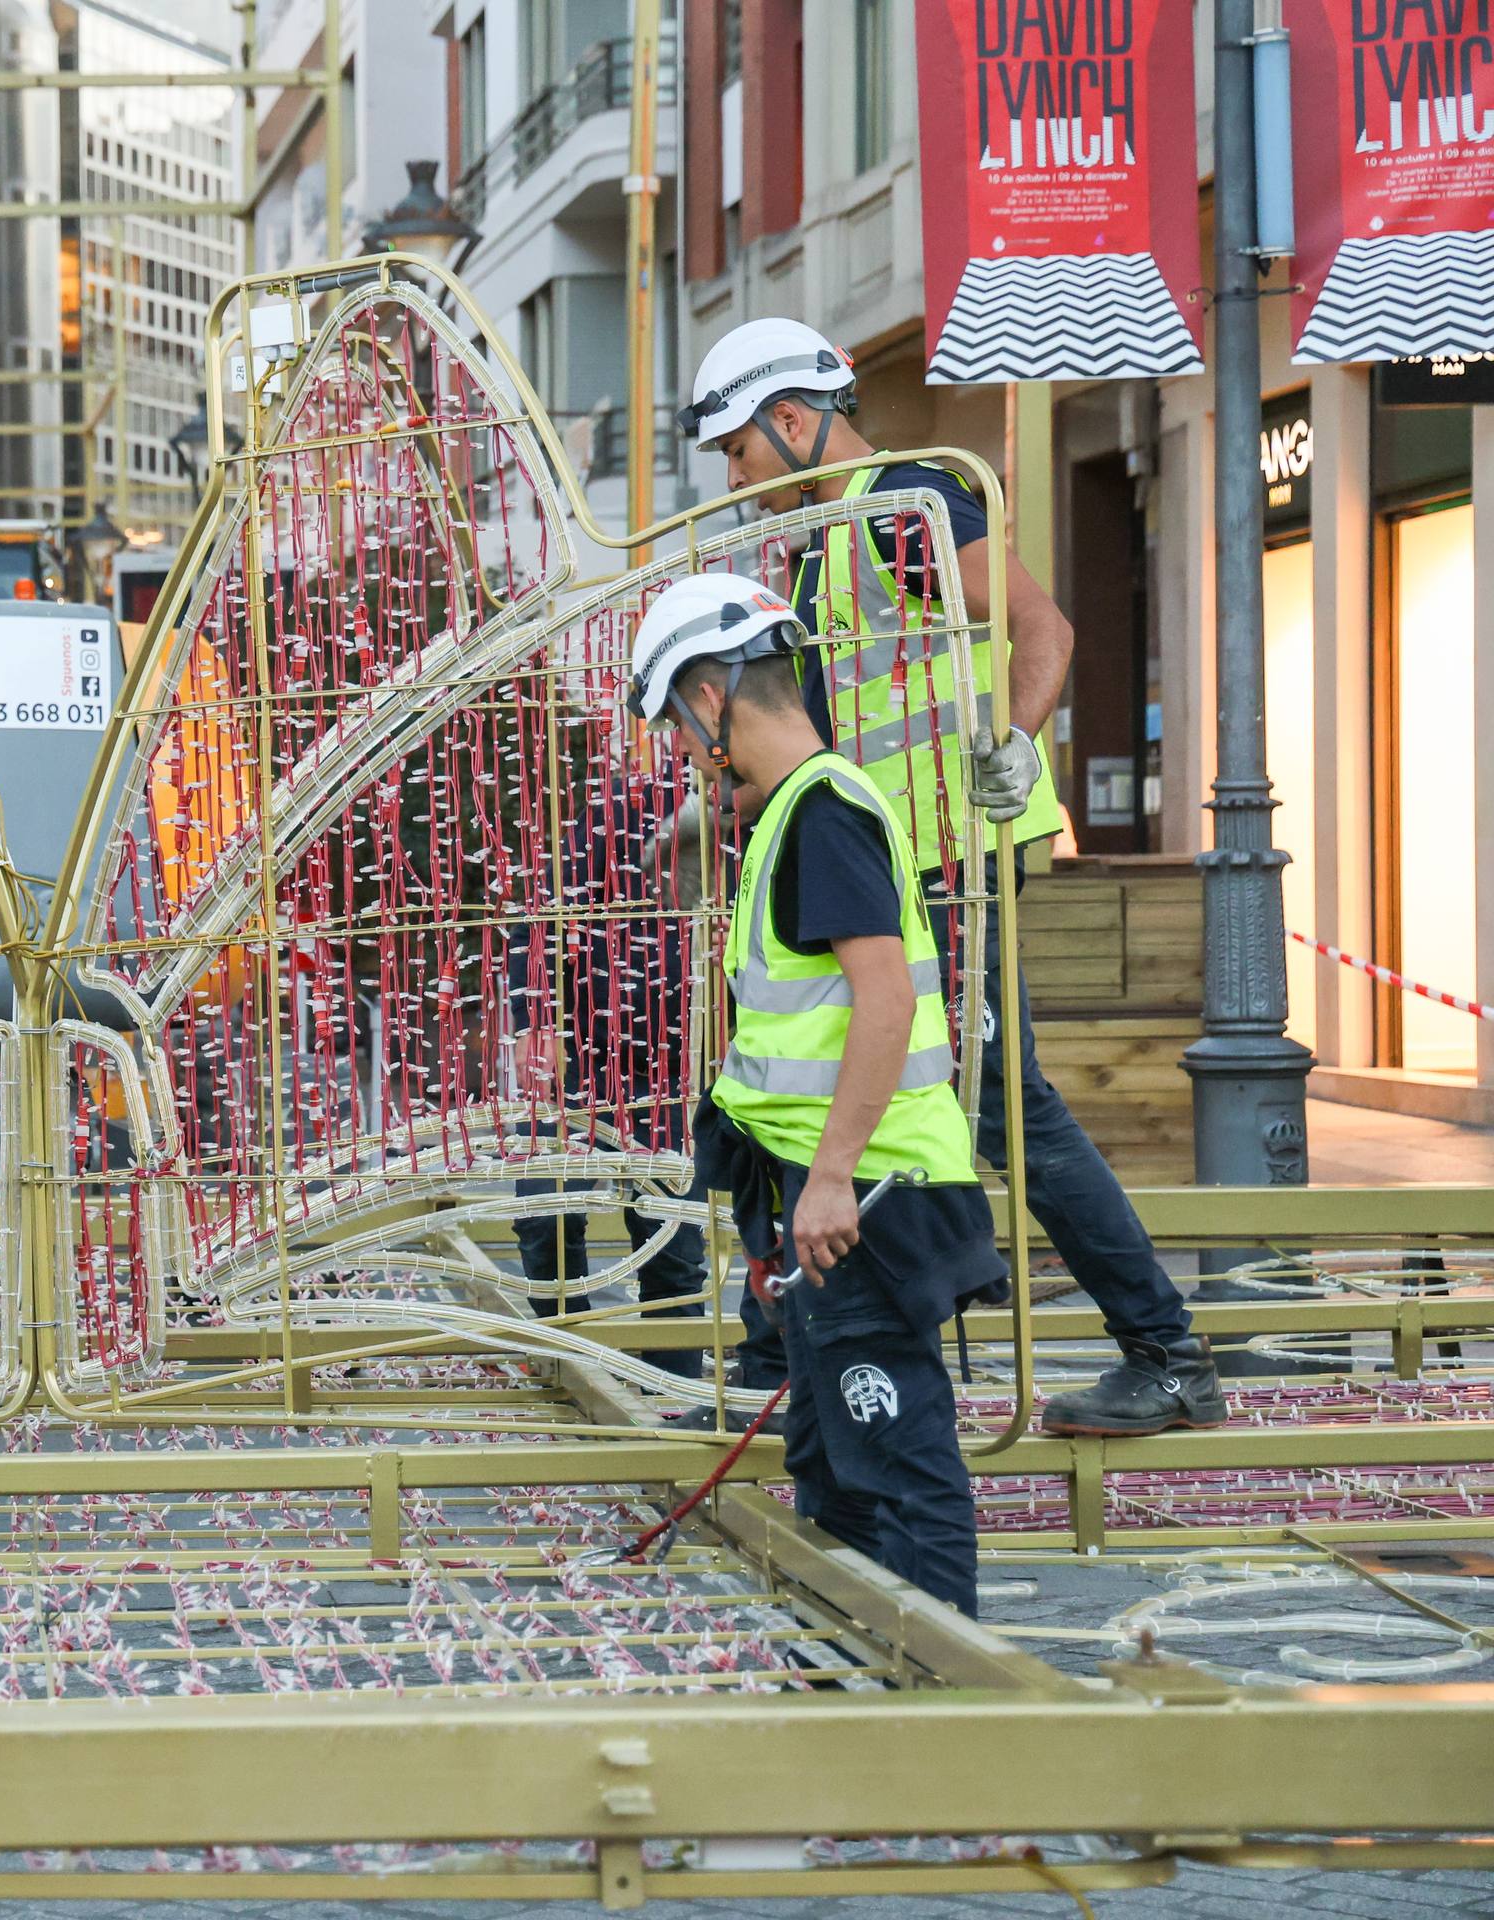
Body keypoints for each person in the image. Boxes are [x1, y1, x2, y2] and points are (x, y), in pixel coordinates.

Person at [678, 319, 1225, 1439]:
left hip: (957, 865)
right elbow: (847, 730)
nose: (732, 478)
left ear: (793, 420)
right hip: (906, 863)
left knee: (997, 1105)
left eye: (737, 448)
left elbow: (1042, 627)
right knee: (885, 1087)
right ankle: (789, 1358)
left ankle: (1165, 1353)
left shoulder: (900, 509)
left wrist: (1015, 746)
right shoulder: (830, 544)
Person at [632, 574, 1006, 1615]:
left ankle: (945, 1708)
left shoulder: (823, 813)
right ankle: (854, 1693)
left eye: (674, 720)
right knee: (836, 1465)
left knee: (894, 1463)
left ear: (711, 700)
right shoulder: (796, 812)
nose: (680, 749)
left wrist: (831, 1182)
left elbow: (883, 1003)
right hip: (828, 1200)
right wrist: (778, 1226)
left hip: (870, 1199)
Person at [510, 728, 706, 1375]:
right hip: (584, 1054)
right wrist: (532, 1019)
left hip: (675, 1061)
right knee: (544, 1214)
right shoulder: (599, 816)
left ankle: (670, 1380)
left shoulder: (730, 806)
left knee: (670, 1238)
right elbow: (537, 922)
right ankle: (572, 1356)